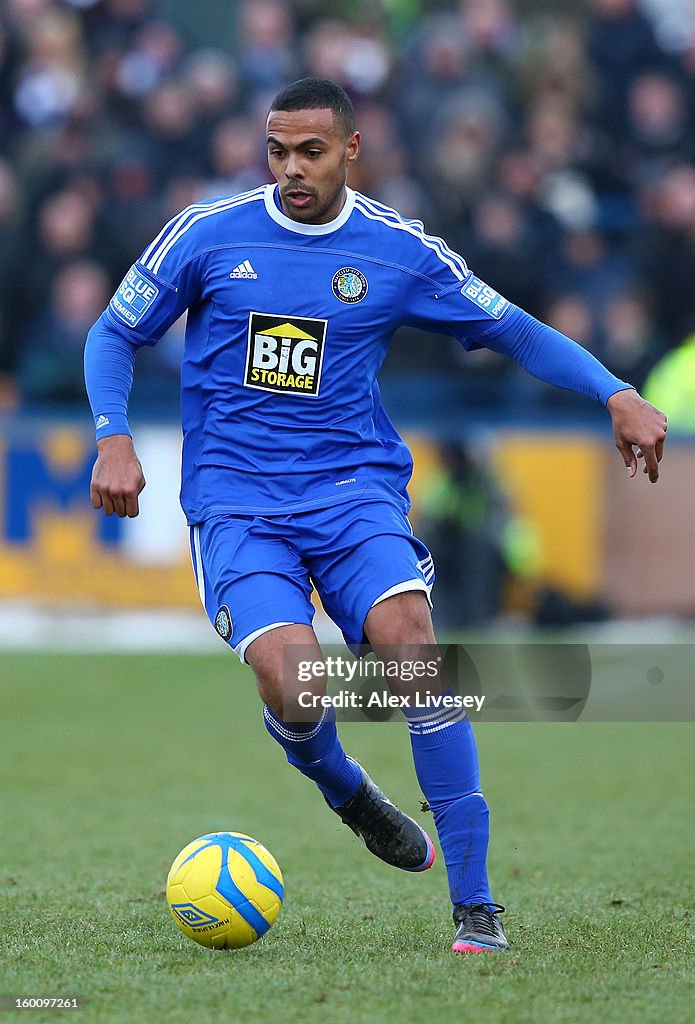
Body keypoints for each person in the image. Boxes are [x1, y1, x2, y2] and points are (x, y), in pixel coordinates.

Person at [84, 78, 667, 955]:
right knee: (296, 681)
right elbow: (111, 334)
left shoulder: (397, 251)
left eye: (310, 151)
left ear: (351, 149)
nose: (290, 169)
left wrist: (613, 389)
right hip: (237, 502)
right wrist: (112, 436)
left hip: (353, 494)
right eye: (276, 151)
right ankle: (345, 788)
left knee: (413, 654)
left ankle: (475, 908)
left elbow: (510, 329)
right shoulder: (208, 233)